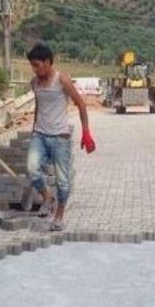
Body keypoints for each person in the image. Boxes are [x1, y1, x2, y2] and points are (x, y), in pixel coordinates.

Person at [26, 43, 95, 231]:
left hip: (60, 138)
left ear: (48, 62)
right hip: (40, 135)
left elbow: (81, 104)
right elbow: (39, 106)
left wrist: (86, 132)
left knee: (63, 181)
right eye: (32, 65)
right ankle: (48, 198)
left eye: (37, 65)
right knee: (32, 170)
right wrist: (34, 130)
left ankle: (59, 217)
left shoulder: (61, 80)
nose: (35, 69)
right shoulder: (35, 83)